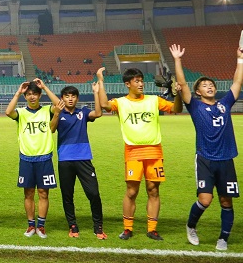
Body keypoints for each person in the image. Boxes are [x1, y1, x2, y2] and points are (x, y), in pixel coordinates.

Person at [97, 66, 182, 241]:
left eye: (142, 80)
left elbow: (177, 109)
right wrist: (100, 80)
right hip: (133, 151)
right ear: (128, 84)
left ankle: (152, 229)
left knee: (153, 190)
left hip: (154, 151)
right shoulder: (121, 102)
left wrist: (178, 94)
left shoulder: (154, 100)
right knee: (131, 191)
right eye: (137, 81)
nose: (141, 83)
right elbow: (105, 105)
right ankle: (128, 228)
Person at [171, 44, 242, 250]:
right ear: (198, 91)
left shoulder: (225, 104)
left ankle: (223, 239)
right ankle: (191, 226)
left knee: (226, 202)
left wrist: (240, 59)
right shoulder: (195, 106)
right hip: (205, 159)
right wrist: (177, 59)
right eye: (204, 85)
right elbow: (182, 84)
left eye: (211, 84)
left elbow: (237, 81)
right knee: (205, 199)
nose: (209, 86)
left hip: (226, 159)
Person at [49, 73, 106, 239]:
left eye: (73, 96)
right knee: (67, 195)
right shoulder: (59, 113)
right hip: (65, 160)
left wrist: (96, 92)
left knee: (93, 193)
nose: (70, 99)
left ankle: (98, 226)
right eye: (67, 96)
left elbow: (98, 113)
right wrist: (57, 113)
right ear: (62, 99)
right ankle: (73, 226)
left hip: (83, 159)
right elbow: (52, 129)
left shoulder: (83, 113)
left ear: (77, 98)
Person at [5, 79, 60, 238]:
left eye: (35, 94)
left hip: (44, 158)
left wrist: (45, 87)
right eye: (29, 94)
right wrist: (18, 93)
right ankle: (30, 226)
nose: (32, 97)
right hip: (27, 158)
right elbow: (8, 112)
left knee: (43, 193)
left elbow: (59, 104)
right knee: (28, 193)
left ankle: (41, 226)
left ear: (39, 95)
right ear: (25, 96)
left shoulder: (47, 110)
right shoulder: (21, 113)